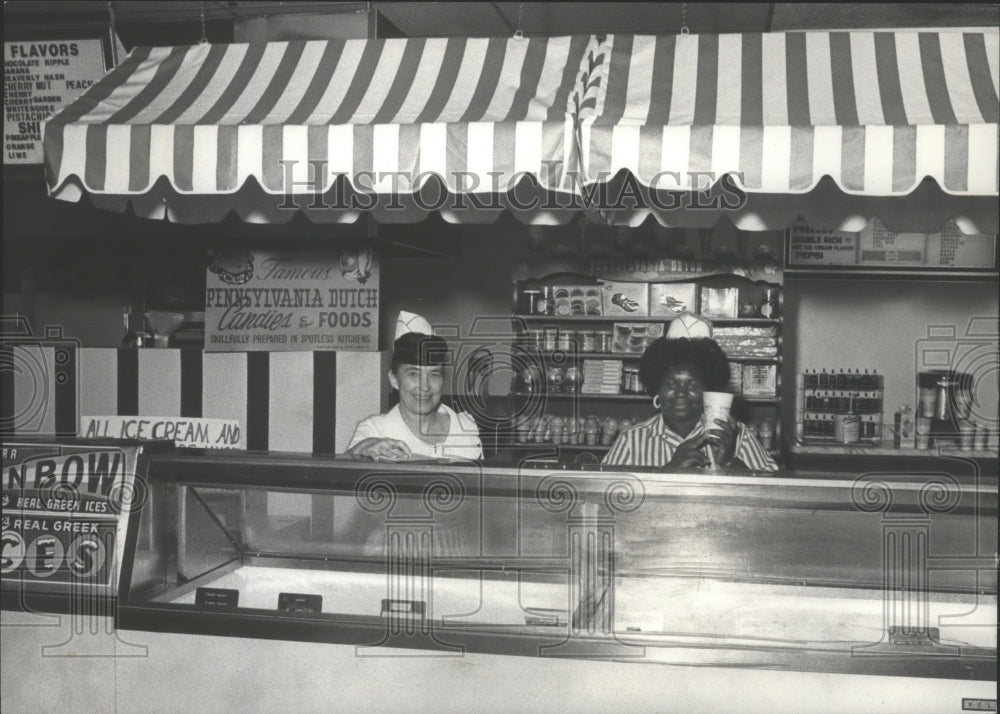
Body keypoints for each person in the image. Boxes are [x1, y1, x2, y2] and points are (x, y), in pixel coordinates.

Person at [602, 333, 778, 472]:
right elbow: (606, 497)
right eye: (671, 384)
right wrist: (670, 470)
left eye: (692, 384)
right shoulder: (632, 439)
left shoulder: (735, 435)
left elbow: (776, 497)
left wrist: (729, 461)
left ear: (708, 391)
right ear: (657, 389)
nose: (681, 392)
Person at [346, 312, 483, 461]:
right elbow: (341, 472)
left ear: (443, 379)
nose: (425, 387)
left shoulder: (465, 429)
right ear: (394, 380)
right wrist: (365, 447)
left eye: (434, 374)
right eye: (413, 374)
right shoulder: (375, 430)